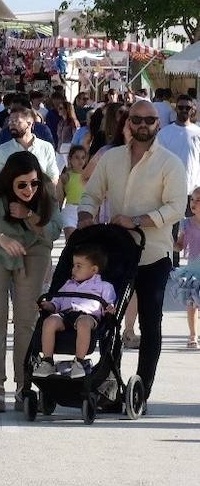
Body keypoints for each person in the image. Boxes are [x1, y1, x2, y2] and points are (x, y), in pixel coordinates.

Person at [78, 100, 187, 404]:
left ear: (158, 125)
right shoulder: (111, 159)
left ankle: (142, 391)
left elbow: (177, 207)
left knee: (151, 322)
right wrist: (85, 218)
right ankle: (108, 381)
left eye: (149, 121)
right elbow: (91, 195)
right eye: (136, 120)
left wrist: (136, 221)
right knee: (108, 321)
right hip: (116, 254)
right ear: (128, 123)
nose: (142, 125)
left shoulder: (170, 163)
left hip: (154, 255)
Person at [0, 152, 63, 412]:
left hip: (34, 248)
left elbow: (53, 230)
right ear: (9, 182)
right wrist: (1, 239)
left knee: (26, 318)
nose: (29, 189)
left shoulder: (46, 193)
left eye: (34, 183)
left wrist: (29, 215)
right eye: (22, 185)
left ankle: (23, 384)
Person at [33, 245, 118, 379]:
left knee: (83, 323)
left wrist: (110, 308)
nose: (74, 269)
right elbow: (57, 303)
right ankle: (47, 361)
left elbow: (109, 303)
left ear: (94, 269)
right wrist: (48, 306)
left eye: (79, 266)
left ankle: (79, 362)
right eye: (73, 265)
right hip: (66, 314)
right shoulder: (68, 284)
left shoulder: (104, 286)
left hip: (88, 316)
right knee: (49, 321)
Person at [0, 106, 61, 187]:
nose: (11, 124)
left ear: (29, 124)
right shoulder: (2, 150)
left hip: (40, 196)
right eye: (10, 121)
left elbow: (53, 176)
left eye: (16, 121)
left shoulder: (46, 147)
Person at [169, 189, 200, 348]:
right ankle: (193, 335)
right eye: (192, 200)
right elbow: (180, 245)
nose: (193, 203)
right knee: (191, 305)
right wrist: (172, 244)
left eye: (198, 200)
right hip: (193, 272)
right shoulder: (186, 223)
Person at [156, 93, 200, 200]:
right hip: (170, 191)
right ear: (176, 109)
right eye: (181, 107)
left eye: (188, 107)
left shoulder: (198, 132)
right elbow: (158, 162)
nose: (184, 110)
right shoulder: (164, 133)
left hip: (194, 193)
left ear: (192, 110)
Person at [60, 145, 88, 242]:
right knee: (71, 240)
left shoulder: (88, 176)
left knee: (83, 242)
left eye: (83, 157)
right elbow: (59, 194)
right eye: (77, 157)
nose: (80, 161)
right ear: (70, 159)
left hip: (84, 211)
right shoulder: (66, 176)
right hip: (70, 210)